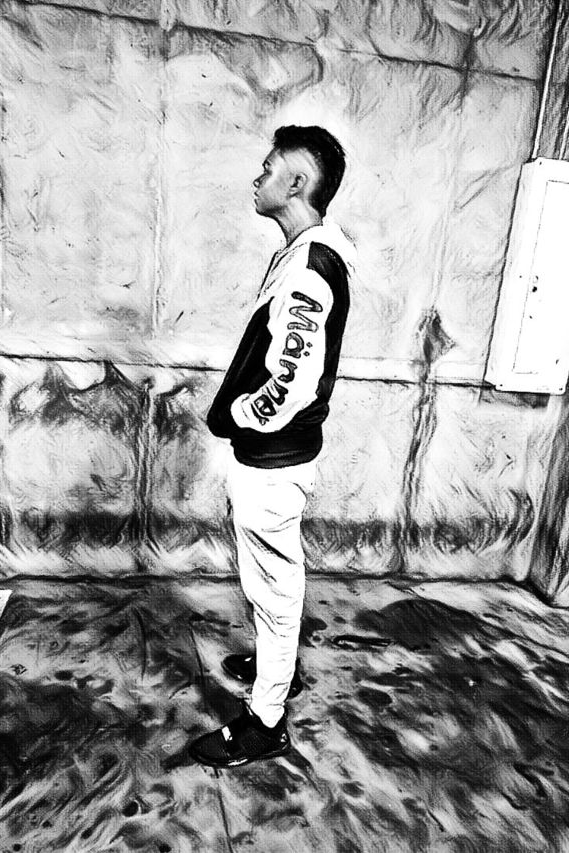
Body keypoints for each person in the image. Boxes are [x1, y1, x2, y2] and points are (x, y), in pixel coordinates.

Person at [188, 125, 354, 768]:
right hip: (276, 456)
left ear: (297, 184)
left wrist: (235, 415)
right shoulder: (303, 254)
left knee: (274, 593)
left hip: (274, 460)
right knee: (270, 587)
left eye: (268, 168)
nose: (257, 179)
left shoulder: (310, 269)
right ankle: (274, 669)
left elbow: (291, 380)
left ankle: (265, 722)